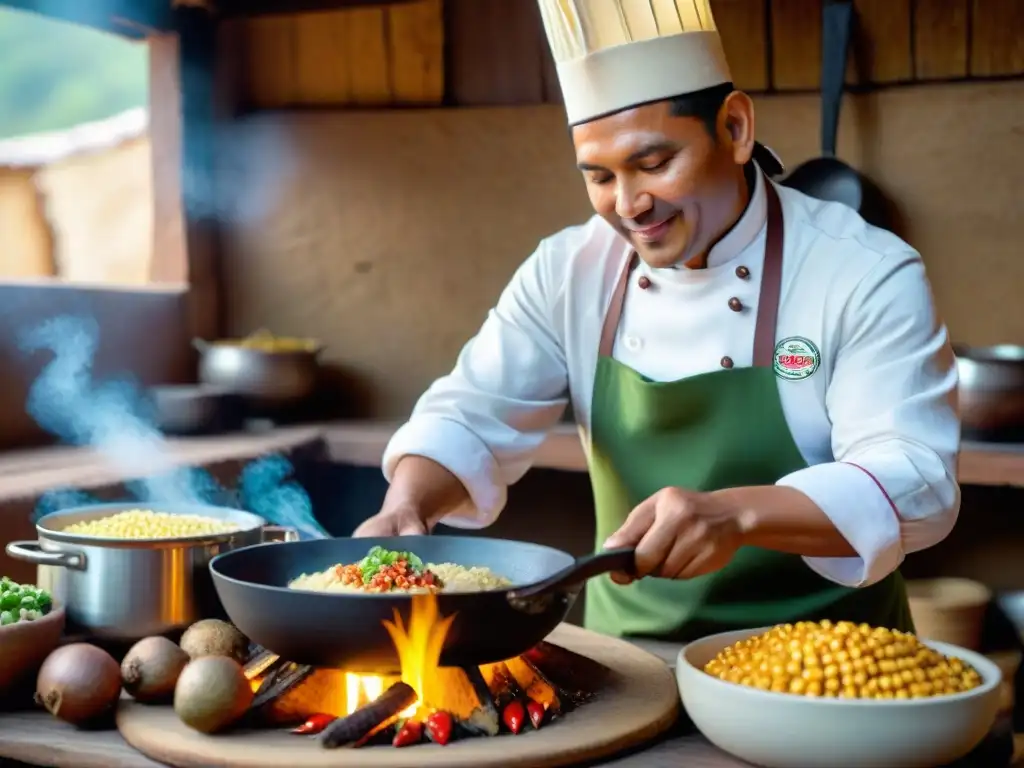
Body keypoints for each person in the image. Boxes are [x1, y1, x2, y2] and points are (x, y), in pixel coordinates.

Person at [354, 0, 960, 641]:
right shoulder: (570, 269)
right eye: (599, 177)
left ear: (735, 127)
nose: (629, 206)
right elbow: (471, 415)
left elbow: (916, 482)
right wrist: (407, 506)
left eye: (652, 164)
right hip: (629, 673)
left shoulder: (861, 270)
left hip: (830, 673)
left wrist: (737, 514)